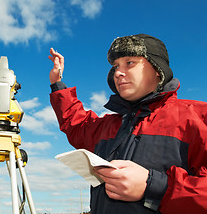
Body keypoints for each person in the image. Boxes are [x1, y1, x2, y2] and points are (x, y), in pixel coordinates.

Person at [48, 34, 207, 214]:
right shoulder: (110, 124)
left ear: (157, 69)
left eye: (129, 63)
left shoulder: (198, 117)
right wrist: (57, 84)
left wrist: (154, 187)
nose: (118, 72)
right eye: (116, 66)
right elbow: (76, 123)